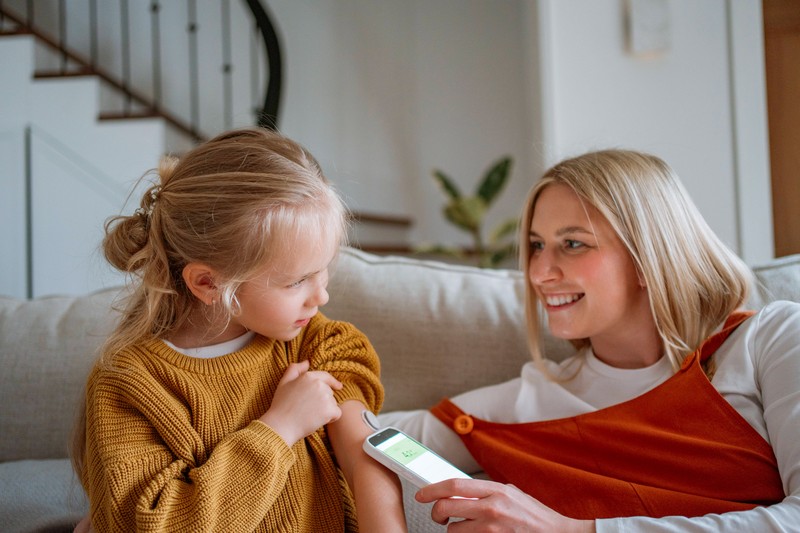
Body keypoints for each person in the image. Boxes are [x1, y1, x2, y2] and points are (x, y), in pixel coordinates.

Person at [382, 149, 800, 531]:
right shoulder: (525, 404)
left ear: (648, 255)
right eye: (535, 245)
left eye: (572, 243)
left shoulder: (771, 340)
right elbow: (370, 435)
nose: (540, 272)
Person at [71, 127, 406, 532]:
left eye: (324, 272)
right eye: (296, 281)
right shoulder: (129, 383)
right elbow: (155, 523)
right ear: (208, 284)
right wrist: (279, 428)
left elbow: (366, 462)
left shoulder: (318, 344)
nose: (321, 297)